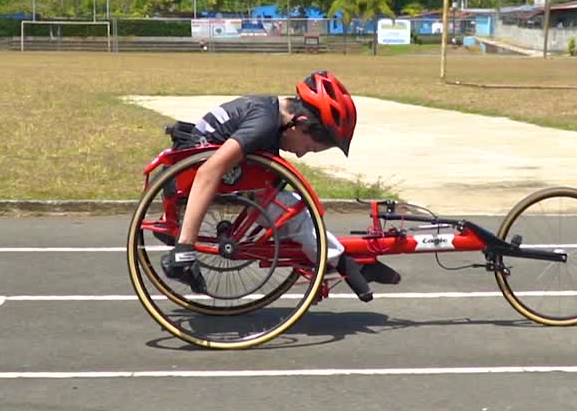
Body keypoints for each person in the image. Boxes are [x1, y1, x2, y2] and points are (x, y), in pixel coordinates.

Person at [160, 70, 401, 298]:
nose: (300, 155)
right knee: (294, 211)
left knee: (289, 204)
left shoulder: (268, 113)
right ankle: (343, 262)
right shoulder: (263, 123)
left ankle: (329, 260)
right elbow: (208, 171)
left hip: (211, 171)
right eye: (308, 147)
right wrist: (185, 248)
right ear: (301, 123)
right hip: (195, 175)